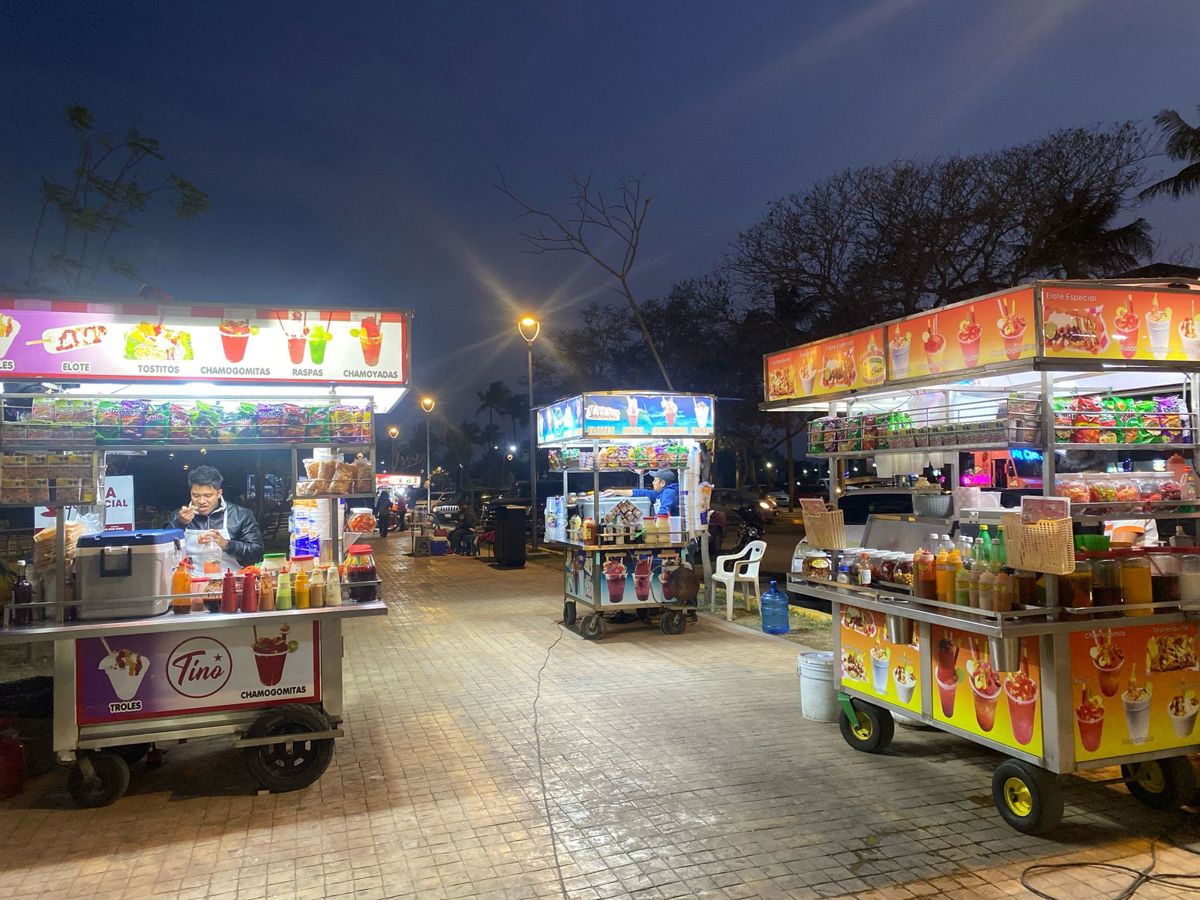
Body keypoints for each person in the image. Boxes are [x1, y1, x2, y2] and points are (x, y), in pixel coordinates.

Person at [169, 465, 264, 570]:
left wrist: (227, 545)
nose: (201, 501)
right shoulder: (179, 515)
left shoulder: (240, 515)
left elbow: (257, 553)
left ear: (219, 493)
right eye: (196, 496)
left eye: (208, 496)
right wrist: (179, 523)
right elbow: (164, 551)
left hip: (230, 579)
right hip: (190, 579)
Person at [605, 468, 679, 516]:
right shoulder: (658, 493)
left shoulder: (669, 492)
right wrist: (615, 492)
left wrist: (655, 524)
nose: (653, 483)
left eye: (655, 480)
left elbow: (664, 510)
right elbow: (638, 492)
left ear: (662, 483)